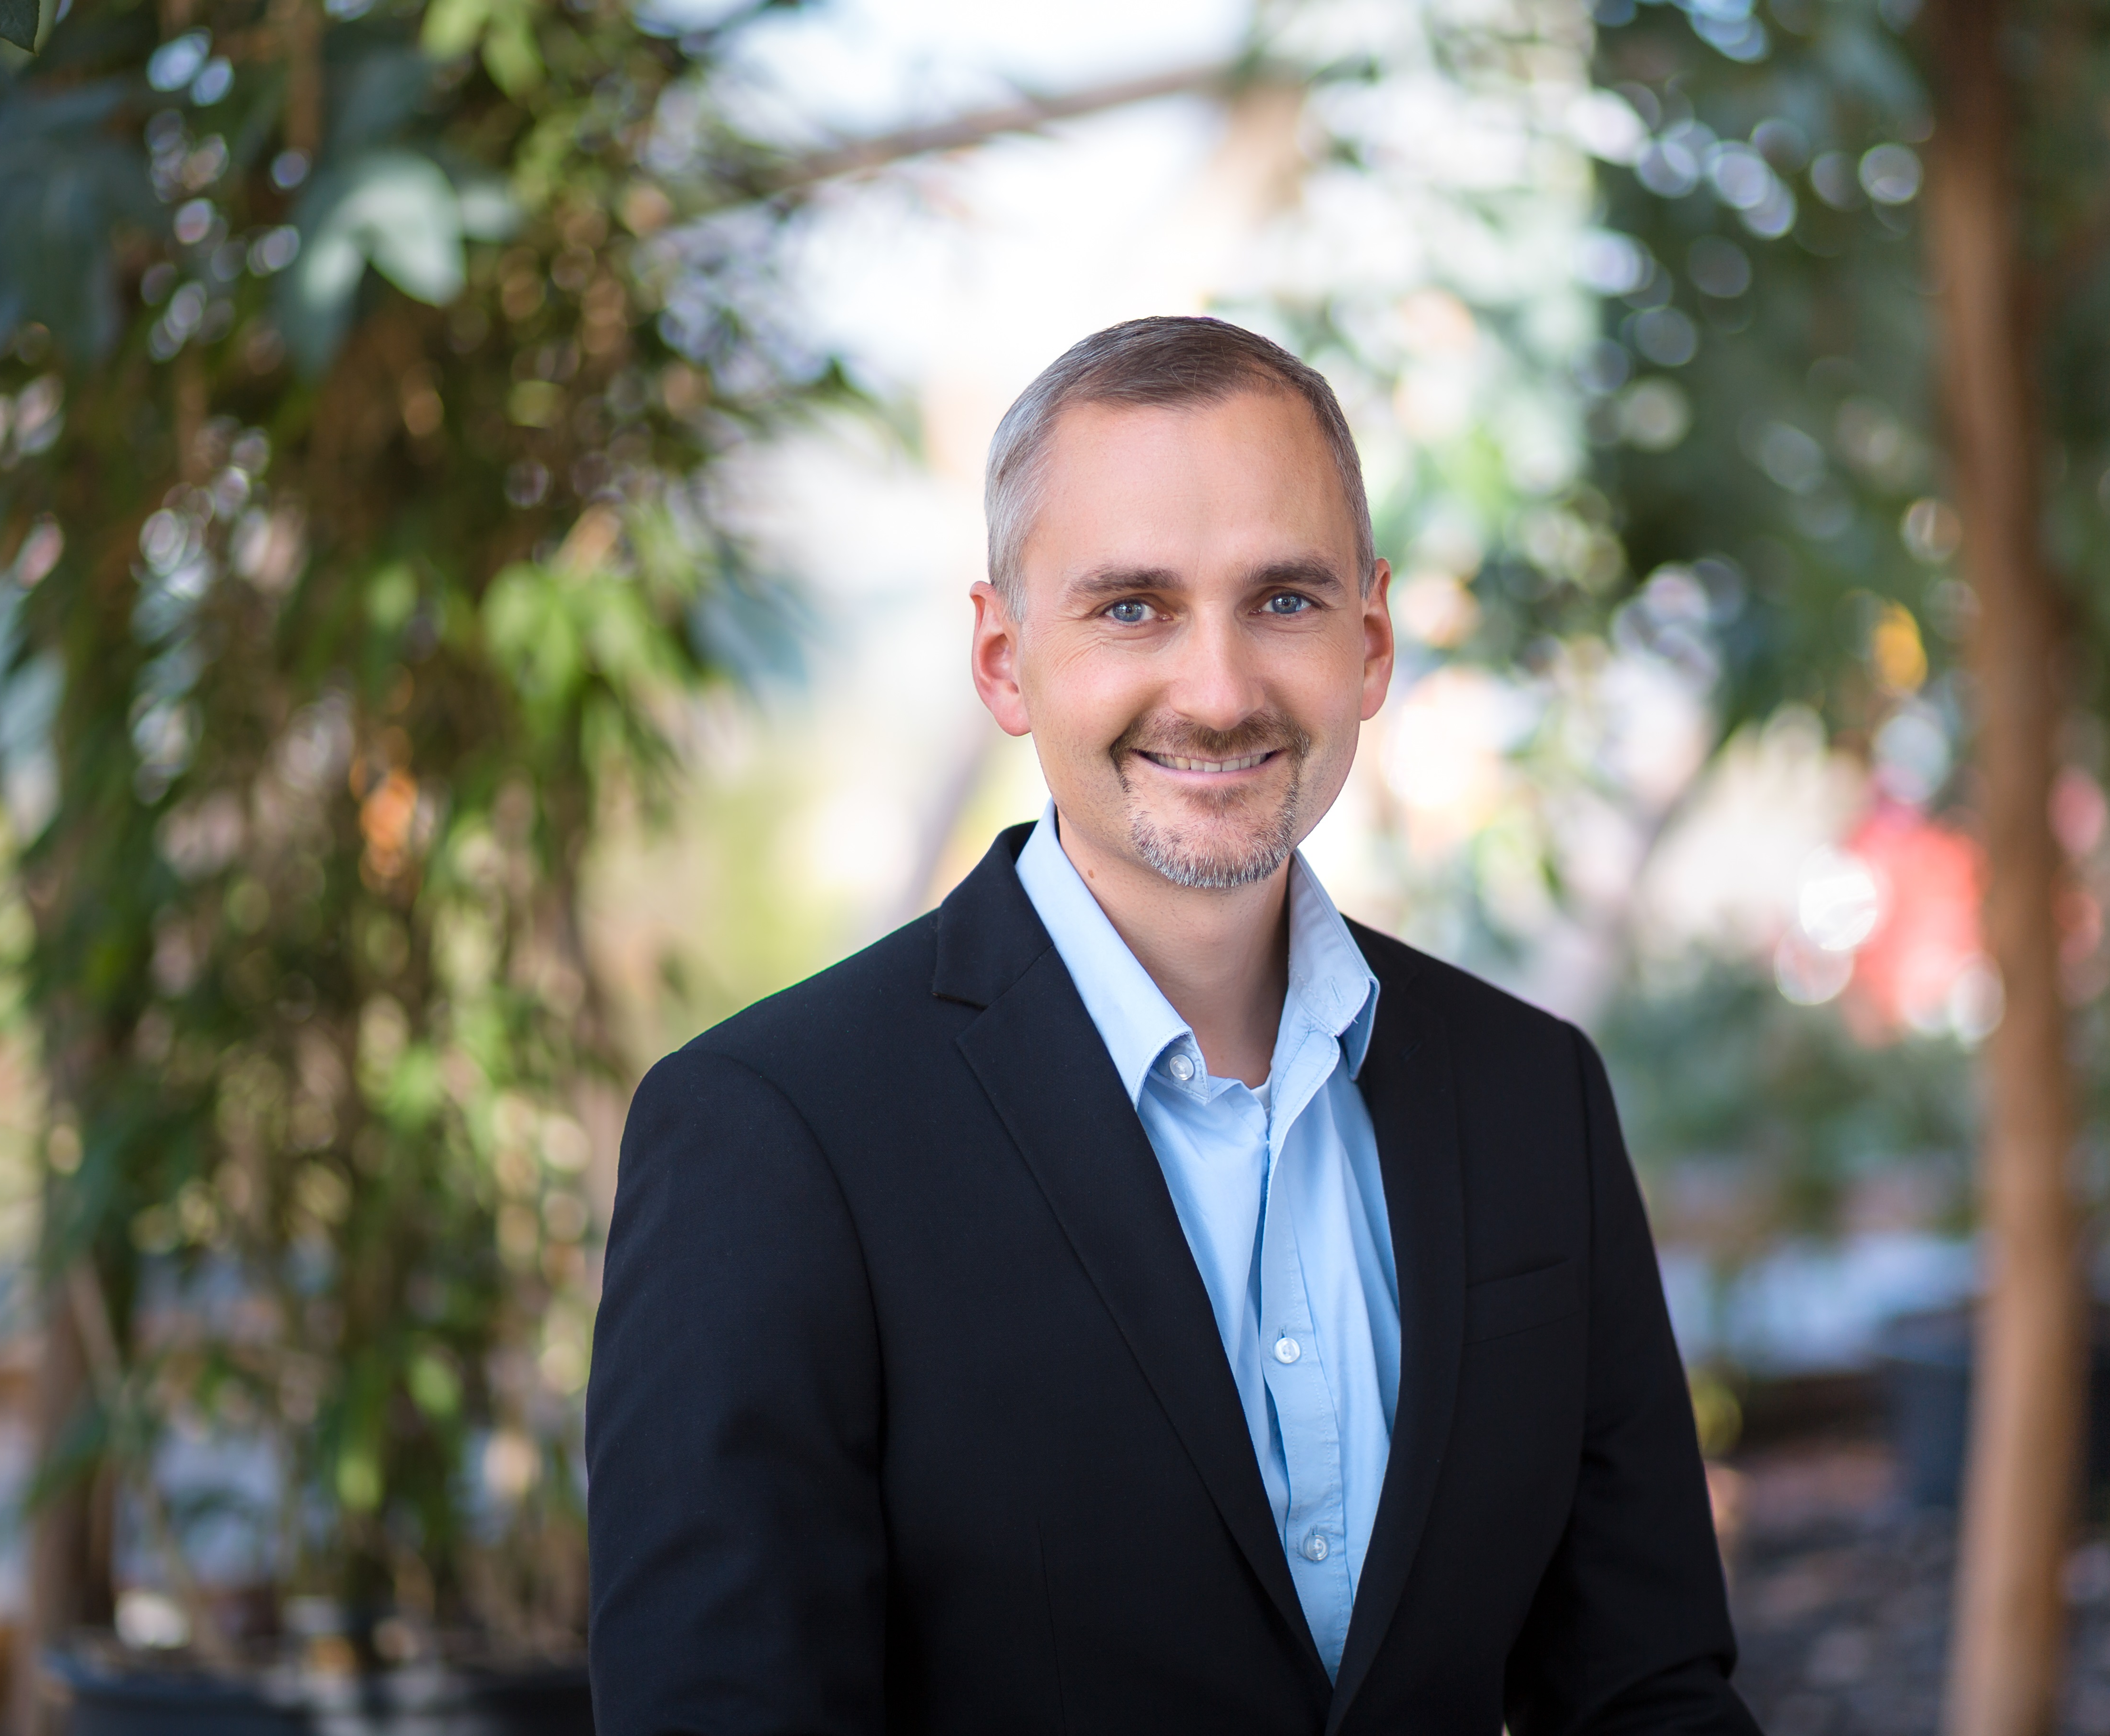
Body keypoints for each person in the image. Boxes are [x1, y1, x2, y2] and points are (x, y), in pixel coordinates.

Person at [586, 316, 1756, 1735]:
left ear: (1370, 641)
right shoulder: (771, 1134)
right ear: (1004, 659)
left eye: (1283, 600)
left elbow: (1648, 1696)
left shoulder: (1531, 1093)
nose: (1218, 691)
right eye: (1133, 607)